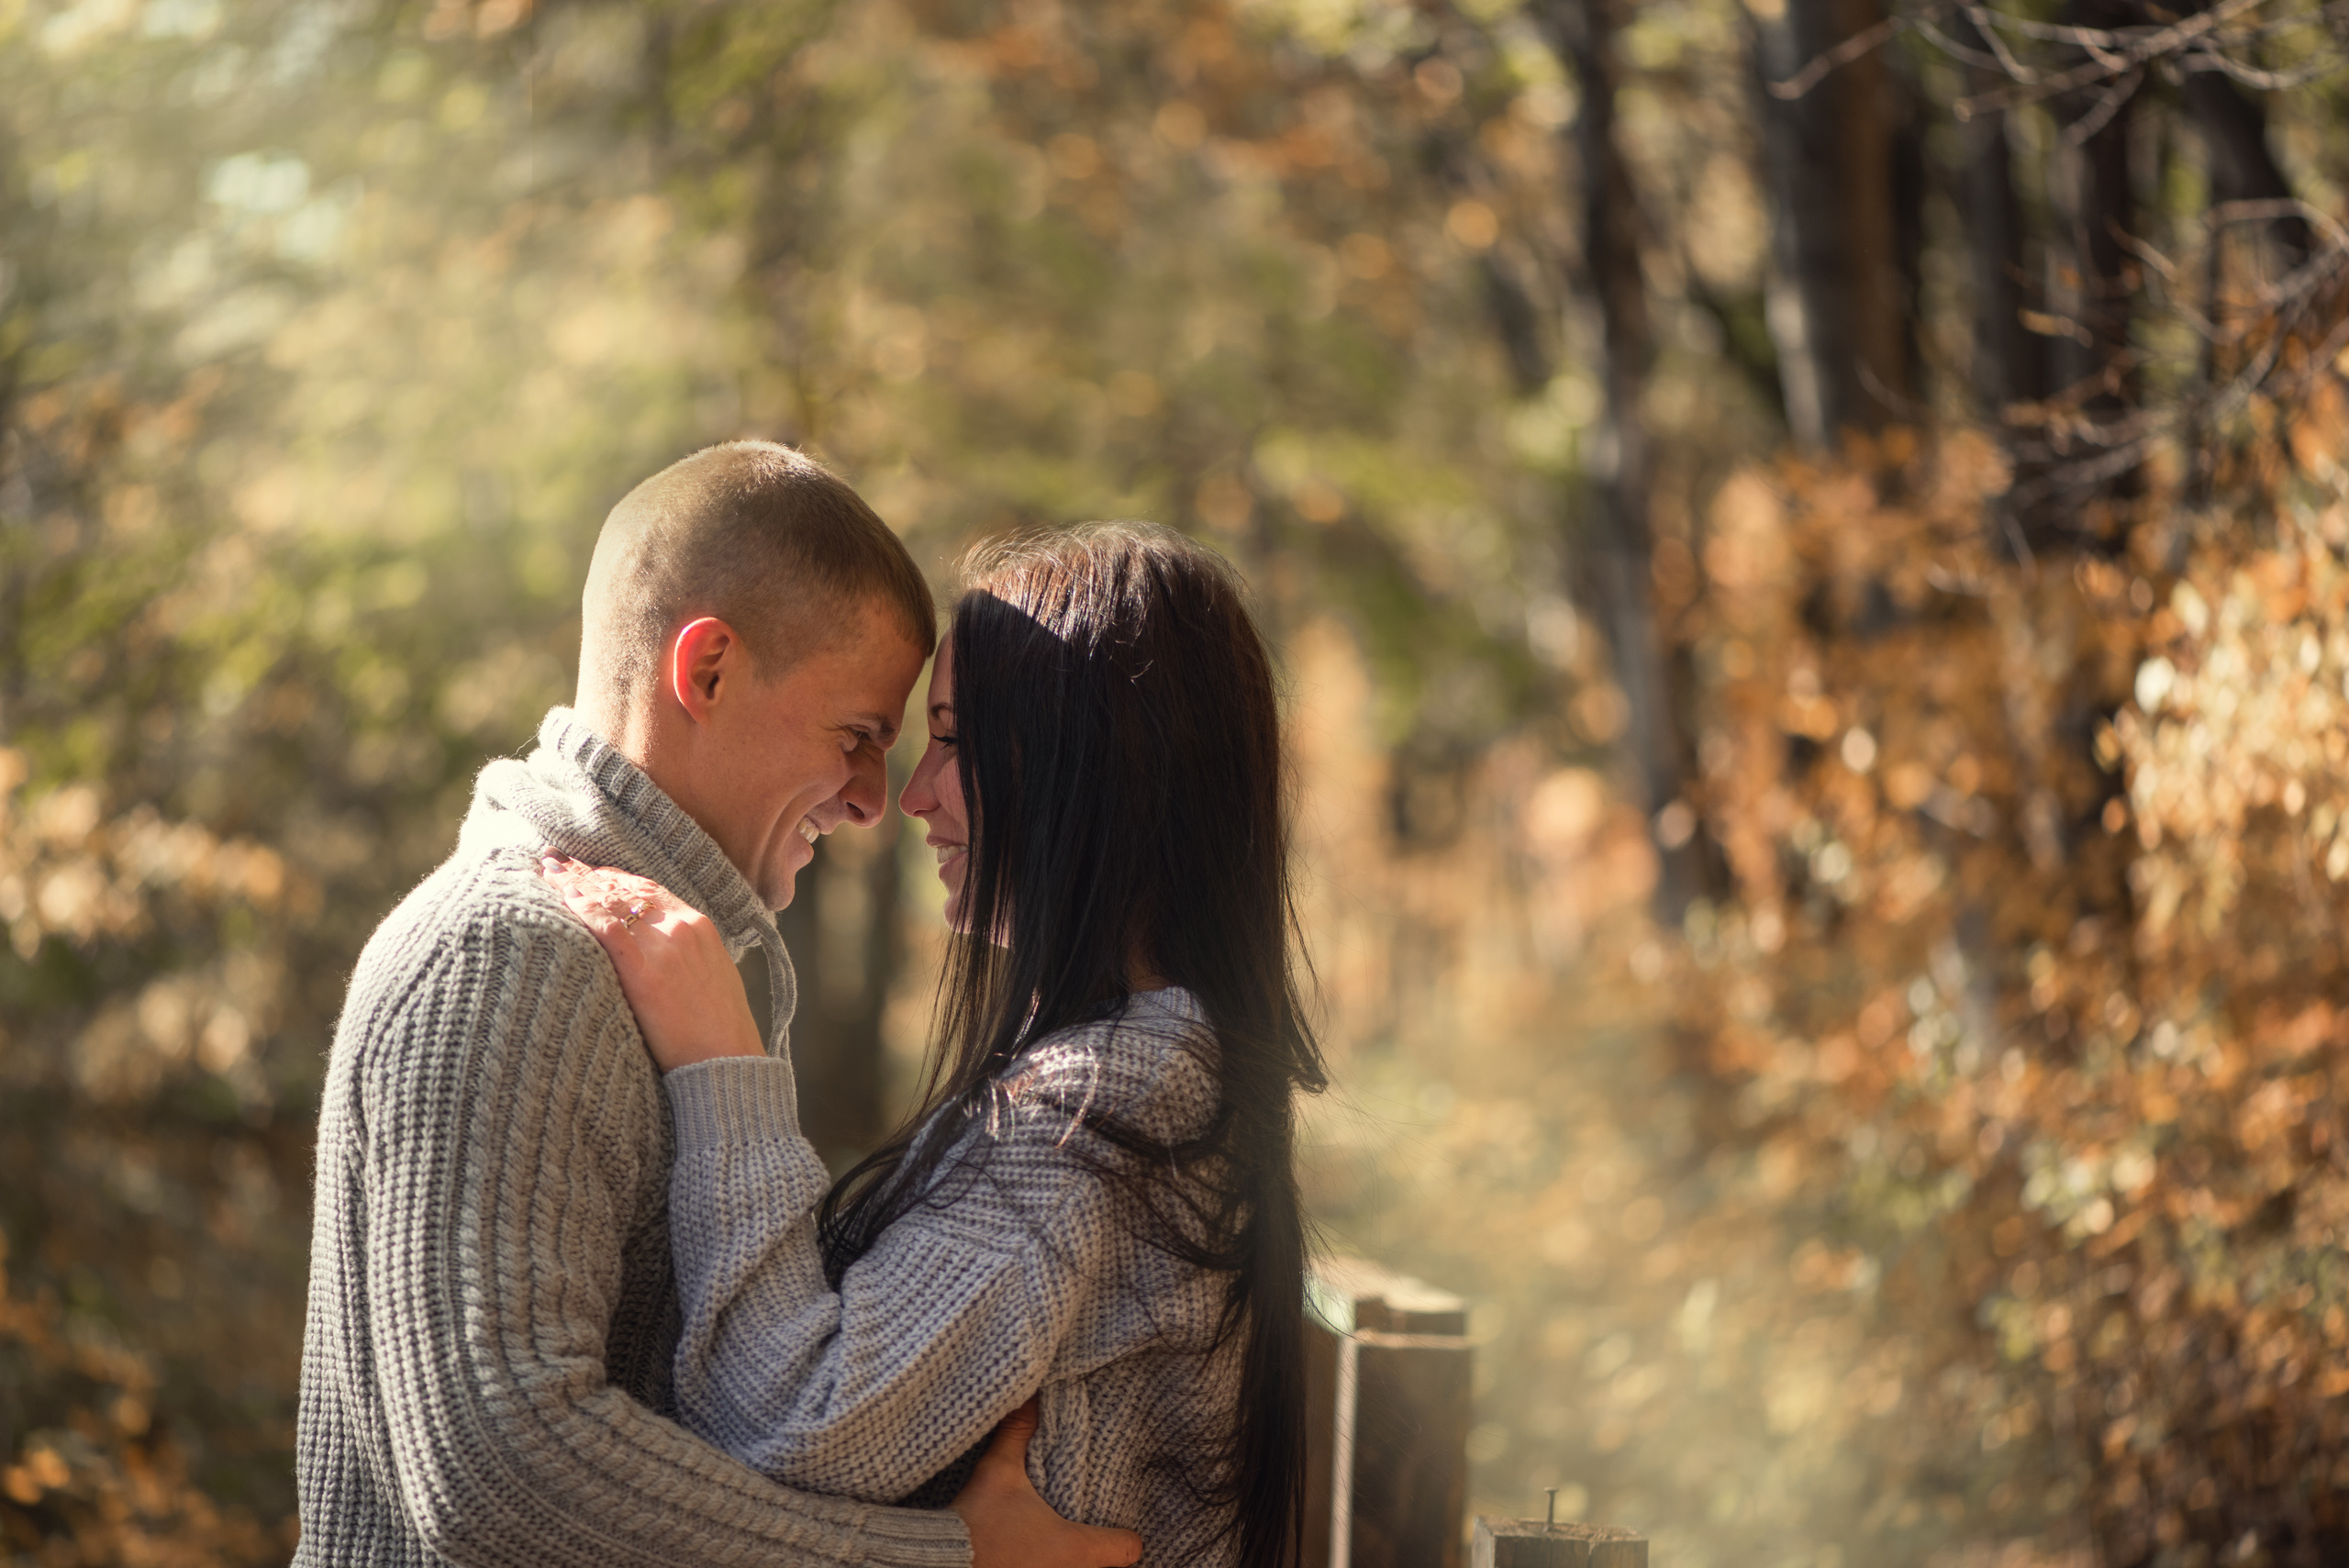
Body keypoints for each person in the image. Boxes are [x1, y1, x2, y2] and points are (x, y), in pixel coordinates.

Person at [294, 440, 1141, 1568]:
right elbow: (497, 1468)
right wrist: (946, 1559)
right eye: (855, 739)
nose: (869, 801)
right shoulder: (509, 955)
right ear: (707, 671)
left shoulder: (630, 954)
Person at [540, 523, 1328, 1568]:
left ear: (1091, 762)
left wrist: (719, 1057)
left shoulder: (1104, 1109)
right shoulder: (1167, 1074)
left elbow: (789, 1418)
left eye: (951, 738)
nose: (912, 794)